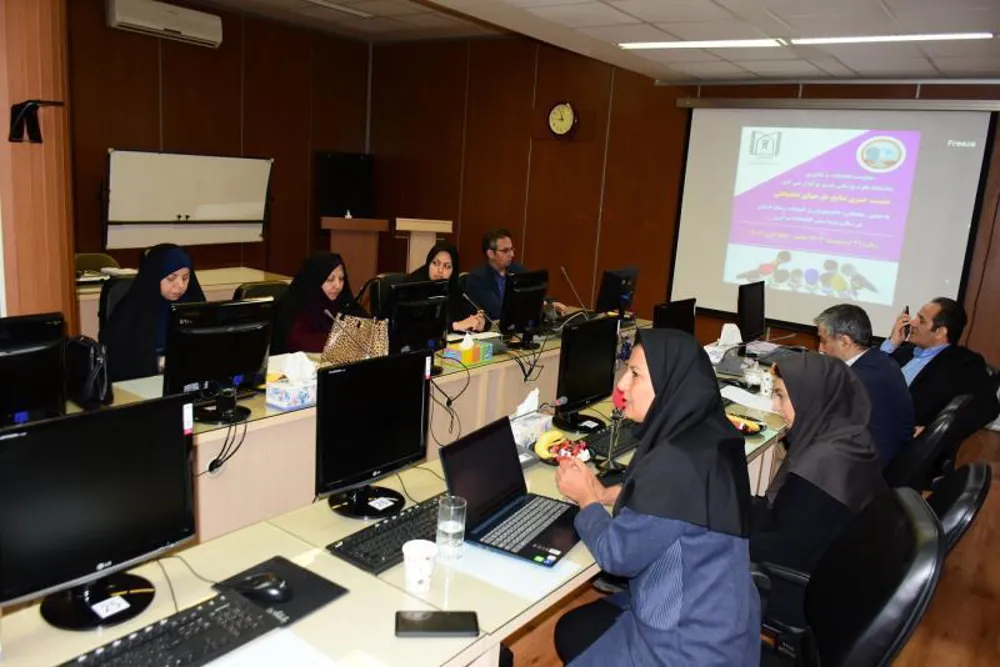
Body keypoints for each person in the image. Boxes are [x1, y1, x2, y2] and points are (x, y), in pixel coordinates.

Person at [552, 329, 760, 666]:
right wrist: (608, 493)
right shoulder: (709, 435)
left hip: (686, 647)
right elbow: (679, 505)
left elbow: (617, 556)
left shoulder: (674, 463)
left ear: (668, 385)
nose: (621, 385)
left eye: (635, 374)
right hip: (726, 623)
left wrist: (587, 499)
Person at [752, 353, 887, 623]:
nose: (775, 406)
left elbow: (787, 549)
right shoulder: (849, 438)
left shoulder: (820, 468)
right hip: (837, 575)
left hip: (806, 593)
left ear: (810, 397)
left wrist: (724, 536)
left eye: (781, 396)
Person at [814, 304, 914, 468]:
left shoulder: (855, 380)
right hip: (892, 457)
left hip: (865, 467)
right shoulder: (881, 360)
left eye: (824, 341)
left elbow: (817, 423)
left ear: (844, 342)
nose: (820, 348)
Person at [880, 298, 999, 435]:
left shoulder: (963, 363)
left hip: (891, 434)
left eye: (921, 320)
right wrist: (891, 343)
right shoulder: (902, 352)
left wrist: (935, 430)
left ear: (940, 332)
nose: (912, 322)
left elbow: (988, 408)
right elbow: (866, 376)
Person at [101, 243, 205, 382]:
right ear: (155, 276)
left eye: (185, 278)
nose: (180, 285)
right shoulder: (132, 312)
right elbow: (118, 362)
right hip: (143, 384)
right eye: (171, 278)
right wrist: (158, 363)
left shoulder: (192, 304)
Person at [272, 253, 366, 354]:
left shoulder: (343, 301)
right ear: (315, 279)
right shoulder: (295, 305)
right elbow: (297, 342)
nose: (338, 286)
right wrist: (343, 342)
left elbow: (369, 332)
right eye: (330, 280)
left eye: (341, 279)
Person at [465, 228, 567, 321]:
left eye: (512, 249)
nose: (512, 254)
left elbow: (533, 292)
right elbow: (498, 311)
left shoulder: (517, 269)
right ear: (490, 254)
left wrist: (551, 303)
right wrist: (540, 305)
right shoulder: (478, 278)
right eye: (505, 251)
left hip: (519, 325)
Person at [405, 241, 486, 333]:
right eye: (435, 263)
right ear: (428, 263)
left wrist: (479, 323)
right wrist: (454, 326)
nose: (440, 270)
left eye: (447, 266)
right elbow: (414, 325)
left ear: (454, 271)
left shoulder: (454, 287)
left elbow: (469, 315)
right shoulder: (413, 286)